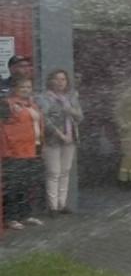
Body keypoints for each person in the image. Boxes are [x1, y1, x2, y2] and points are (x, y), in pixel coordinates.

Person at [1, 77, 44, 229]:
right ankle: (11, 217)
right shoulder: (8, 104)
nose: (26, 89)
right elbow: (5, 128)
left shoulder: (31, 104)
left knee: (26, 185)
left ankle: (25, 215)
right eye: (22, 87)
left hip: (31, 150)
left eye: (28, 86)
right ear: (14, 89)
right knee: (13, 186)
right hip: (15, 152)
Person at [38, 69, 82, 215]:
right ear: (50, 81)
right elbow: (44, 119)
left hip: (70, 139)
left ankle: (62, 204)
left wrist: (70, 110)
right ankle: (53, 206)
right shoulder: (44, 98)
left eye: (63, 79)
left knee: (65, 171)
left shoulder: (70, 97)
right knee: (53, 172)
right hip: (53, 140)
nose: (60, 82)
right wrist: (60, 134)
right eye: (57, 79)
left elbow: (80, 117)